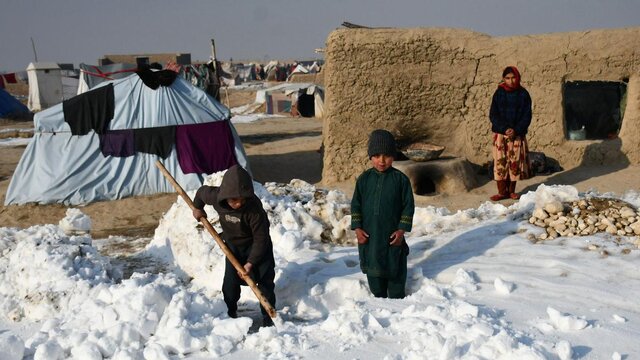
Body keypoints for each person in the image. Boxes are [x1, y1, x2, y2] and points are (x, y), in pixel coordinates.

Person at [192, 165, 276, 327]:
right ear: (225, 196)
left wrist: (250, 263)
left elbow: (261, 239)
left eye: (242, 200)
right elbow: (202, 192)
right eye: (234, 200)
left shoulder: (254, 211)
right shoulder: (217, 197)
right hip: (233, 248)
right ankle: (230, 314)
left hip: (257, 247)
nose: (238, 204)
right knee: (230, 284)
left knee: (265, 283)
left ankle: (268, 318)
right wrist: (197, 208)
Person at [351, 129, 415, 298]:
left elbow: (408, 206)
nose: (382, 160)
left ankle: (397, 299)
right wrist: (357, 229)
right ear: (370, 156)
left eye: (386, 155)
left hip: (392, 237)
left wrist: (401, 231)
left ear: (393, 156)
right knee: (375, 279)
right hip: (370, 237)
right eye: (377, 155)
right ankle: (378, 298)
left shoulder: (401, 180)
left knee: (395, 272)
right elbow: (355, 205)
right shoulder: (364, 180)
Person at [489, 66, 532, 201]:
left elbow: (527, 116)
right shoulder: (499, 94)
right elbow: (493, 115)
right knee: (501, 163)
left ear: (518, 78)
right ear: (503, 79)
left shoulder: (524, 94)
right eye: (507, 78)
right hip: (501, 135)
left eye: (513, 77)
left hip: (516, 135)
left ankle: (512, 191)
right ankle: (502, 192)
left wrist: (516, 130)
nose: (511, 81)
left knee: (514, 163)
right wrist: (504, 129)